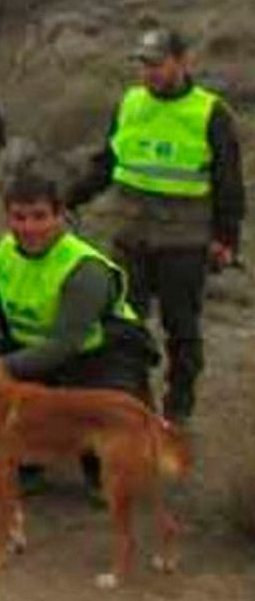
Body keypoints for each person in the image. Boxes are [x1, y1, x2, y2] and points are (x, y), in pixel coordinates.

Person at [0, 172, 157, 492]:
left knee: (110, 435)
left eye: (40, 217)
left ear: (59, 216)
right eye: (19, 217)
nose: (29, 227)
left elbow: (64, 346)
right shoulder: (1, 252)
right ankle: (28, 464)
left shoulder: (84, 269)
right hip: (31, 355)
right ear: (7, 217)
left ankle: (105, 460)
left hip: (97, 358)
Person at [66, 29, 243, 424]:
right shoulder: (130, 103)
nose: (149, 73)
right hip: (130, 234)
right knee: (123, 325)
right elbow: (107, 162)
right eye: (143, 65)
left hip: (184, 239)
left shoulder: (211, 113)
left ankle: (178, 408)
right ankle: (131, 402)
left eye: (157, 64)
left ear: (181, 61)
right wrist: (69, 198)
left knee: (181, 328)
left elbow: (229, 183)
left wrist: (226, 238)